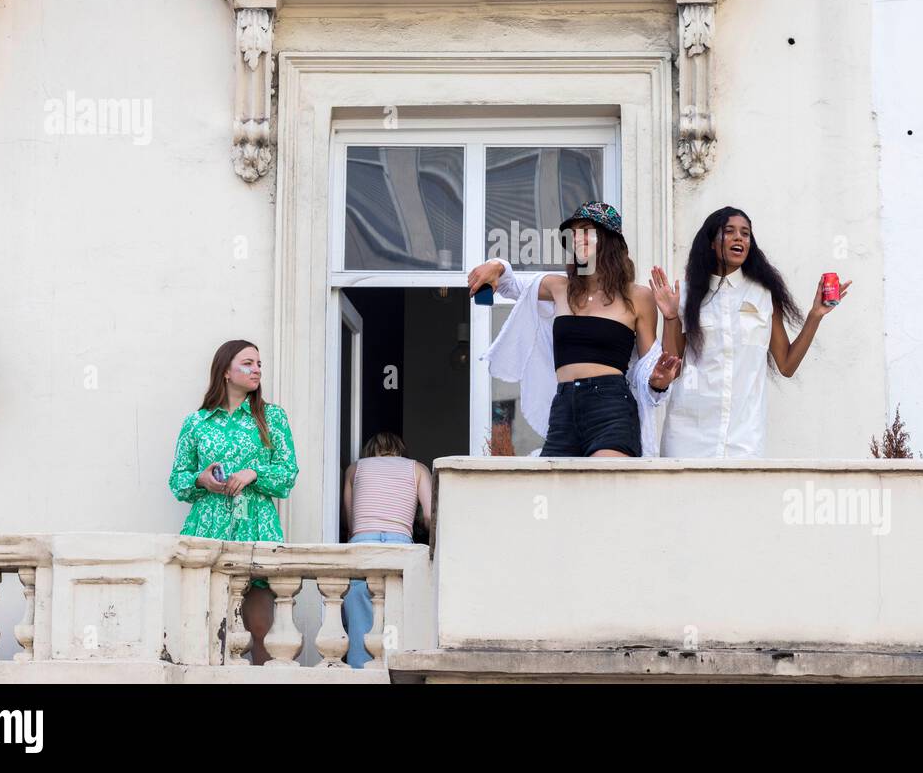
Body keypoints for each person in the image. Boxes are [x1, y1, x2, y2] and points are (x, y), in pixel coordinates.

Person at [467, 201, 681, 458]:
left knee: (605, 488)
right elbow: (510, 283)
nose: (577, 238)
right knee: (555, 493)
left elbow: (649, 366)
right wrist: (497, 264)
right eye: (574, 232)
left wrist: (669, 325)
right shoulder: (559, 287)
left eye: (586, 230)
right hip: (564, 407)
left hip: (610, 407)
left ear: (609, 240)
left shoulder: (637, 296)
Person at [650, 206, 851, 459]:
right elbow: (673, 367)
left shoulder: (763, 295)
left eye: (745, 234)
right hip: (688, 433)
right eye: (730, 232)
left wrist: (815, 316)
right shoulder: (687, 295)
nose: (739, 238)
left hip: (743, 439)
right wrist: (670, 316)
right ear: (712, 242)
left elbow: (787, 365)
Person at [168, 339, 299, 665]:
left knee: (259, 627)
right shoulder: (196, 422)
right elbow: (177, 481)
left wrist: (253, 472)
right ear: (226, 371)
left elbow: (288, 474)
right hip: (208, 528)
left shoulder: (272, 417)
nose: (256, 370)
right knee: (206, 626)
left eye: (259, 364)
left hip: (255, 526)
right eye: (247, 363)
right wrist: (201, 479)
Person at [341, 432, 432, 668]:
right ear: (400, 450)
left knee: (360, 616)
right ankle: (396, 671)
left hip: (363, 543)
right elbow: (431, 517)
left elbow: (350, 523)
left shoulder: (354, 469)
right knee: (399, 614)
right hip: (399, 544)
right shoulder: (418, 469)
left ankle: (361, 673)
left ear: (369, 451)